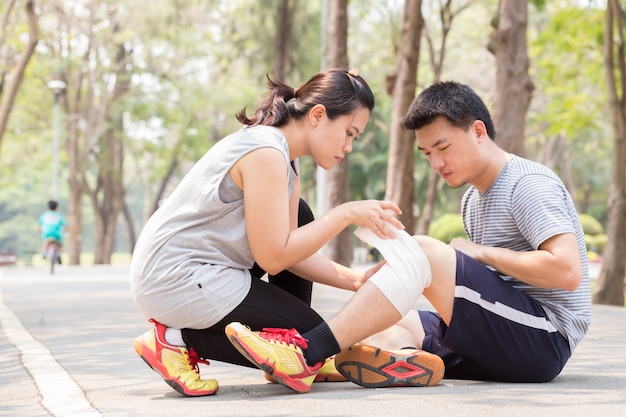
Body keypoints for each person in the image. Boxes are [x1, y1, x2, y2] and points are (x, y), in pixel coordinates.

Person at [130, 68, 417, 397]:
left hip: (203, 271)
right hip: (176, 276)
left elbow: (291, 253)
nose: (349, 146)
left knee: (301, 215)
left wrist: (356, 281)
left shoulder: (285, 158)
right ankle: (175, 341)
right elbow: (274, 257)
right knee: (314, 342)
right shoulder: (265, 151)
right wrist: (344, 214)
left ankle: (292, 353)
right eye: (349, 133)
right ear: (318, 115)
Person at [331, 80, 592, 385]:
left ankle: (310, 352)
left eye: (443, 147)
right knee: (383, 321)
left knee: (425, 250)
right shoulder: (472, 200)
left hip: (544, 340)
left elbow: (567, 272)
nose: (436, 163)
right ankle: (404, 360)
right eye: (427, 153)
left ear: (478, 132)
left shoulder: (527, 184)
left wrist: (476, 253)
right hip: (504, 331)